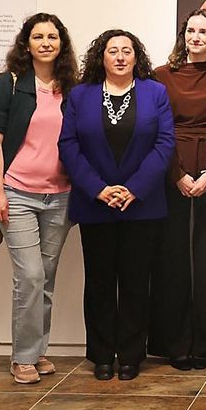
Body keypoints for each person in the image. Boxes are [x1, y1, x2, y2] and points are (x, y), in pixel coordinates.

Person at [59, 30, 174, 381]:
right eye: (113, 51)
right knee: (99, 283)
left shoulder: (155, 93)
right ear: (102, 58)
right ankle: (101, 354)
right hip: (96, 205)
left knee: (137, 282)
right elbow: (69, 145)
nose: (121, 57)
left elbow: (165, 143)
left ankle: (130, 355)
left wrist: (134, 189)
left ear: (136, 57)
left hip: (143, 205)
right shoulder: (81, 95)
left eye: (127, 51)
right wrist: (99, 189)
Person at [0, 13, 80, 385]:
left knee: (47, 278)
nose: (45, 43)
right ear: (27, 44)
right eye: (37, 36)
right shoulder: (8, 84)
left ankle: (38, 350)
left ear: (61, 43)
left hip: (61, 195)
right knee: (31, 275)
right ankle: (22, 357)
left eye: (52, 37)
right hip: (17, 192)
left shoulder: (72, 87)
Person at [152, 9, 206, 370]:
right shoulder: (161, 77)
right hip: (169, 172)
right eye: (191, 30)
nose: (196, 37)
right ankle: (173, 344)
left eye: (204, 31)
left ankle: (205, 345)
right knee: (171, 258)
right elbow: (156, 129)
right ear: (183, 35)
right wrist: (177, 174)